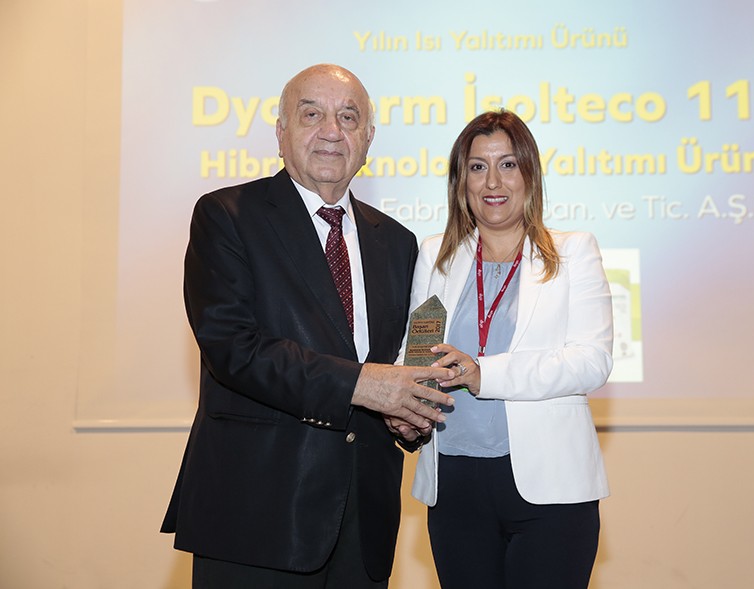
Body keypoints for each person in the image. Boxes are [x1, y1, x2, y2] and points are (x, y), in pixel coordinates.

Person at [160, 64, 456, 589]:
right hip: (256, 516)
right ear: (281, 133)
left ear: (368, 139)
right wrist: (364, 385)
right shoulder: (226, 216)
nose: (332, 131)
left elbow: (394, 366)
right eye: (312, 114)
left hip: (363, 523)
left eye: (349, 117)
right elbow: (234, 350)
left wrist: (406, 416)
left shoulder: (397, 242)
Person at [392, 110, 614, 589]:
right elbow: (417, 353)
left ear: (530, 174)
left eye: (508, 164)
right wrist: (401, 405)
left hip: (551, 490)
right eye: (478, 167)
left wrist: (482, 374)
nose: (492, 181)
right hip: (454, 485)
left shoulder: (573, 251)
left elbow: (591, 361)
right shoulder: (435, 255)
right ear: (461, 182)